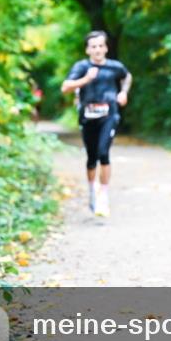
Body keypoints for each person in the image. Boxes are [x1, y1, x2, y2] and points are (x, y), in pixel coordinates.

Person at [61, 31, 132, 218]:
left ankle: (104, 195)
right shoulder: (82, 67)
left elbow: (127, 76)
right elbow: (65, 87)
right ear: (87, 49)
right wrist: (86, 80)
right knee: (92, 158)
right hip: (87, 116)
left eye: (101, 46)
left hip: (109, 114)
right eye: (94, 46)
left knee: (103, 153)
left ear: (106, 48)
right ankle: (92, 190)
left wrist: (123, 92)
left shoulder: (115, 67)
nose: (98, 49)